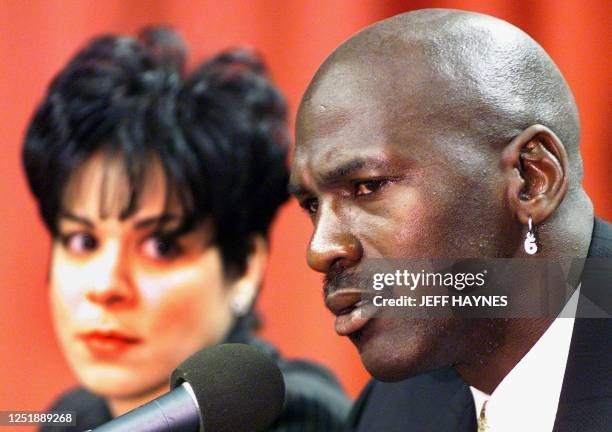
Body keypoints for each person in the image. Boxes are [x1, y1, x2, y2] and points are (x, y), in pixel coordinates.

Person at [289, 9, 610, 432]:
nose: (321, 248)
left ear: (532, 179)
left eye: (368, 186)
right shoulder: (392, 412)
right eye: (312, 205)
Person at [23, 27, 349, 431]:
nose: (105, 286)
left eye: (160, 246)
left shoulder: (294, 415)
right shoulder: (68, 417)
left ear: (245, 265)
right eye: (83, 240)